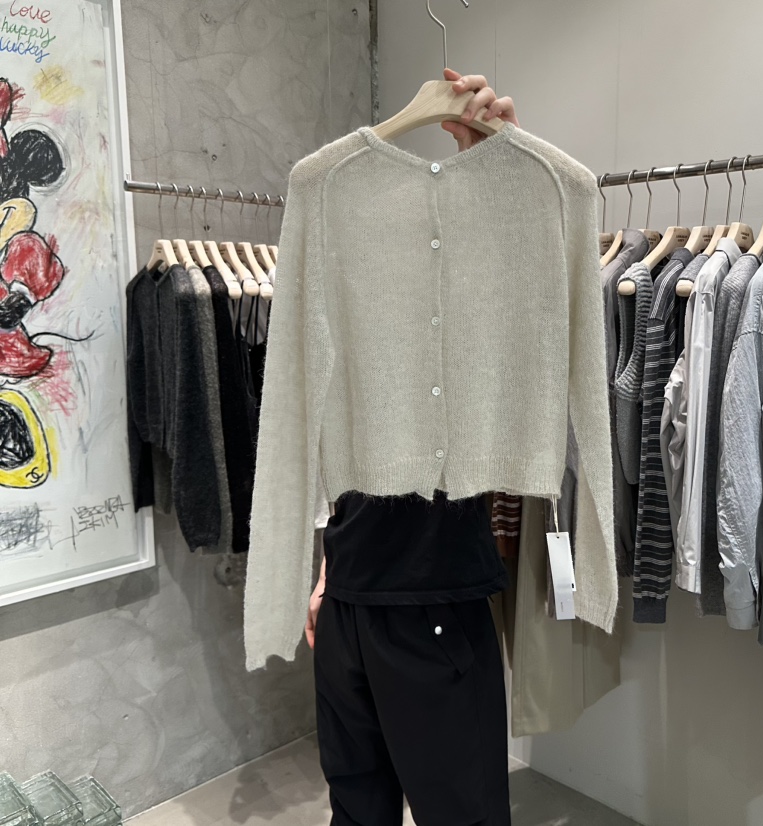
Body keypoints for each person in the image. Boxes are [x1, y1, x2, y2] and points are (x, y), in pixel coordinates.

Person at [306, 70, 521, 826]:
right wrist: (328, 570)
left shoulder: (467, 309)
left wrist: (494, 170)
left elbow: (513, 315)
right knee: (371, 811)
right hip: (359, 597)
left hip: (421, 600)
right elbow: (334, 447)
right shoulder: (352, 296)